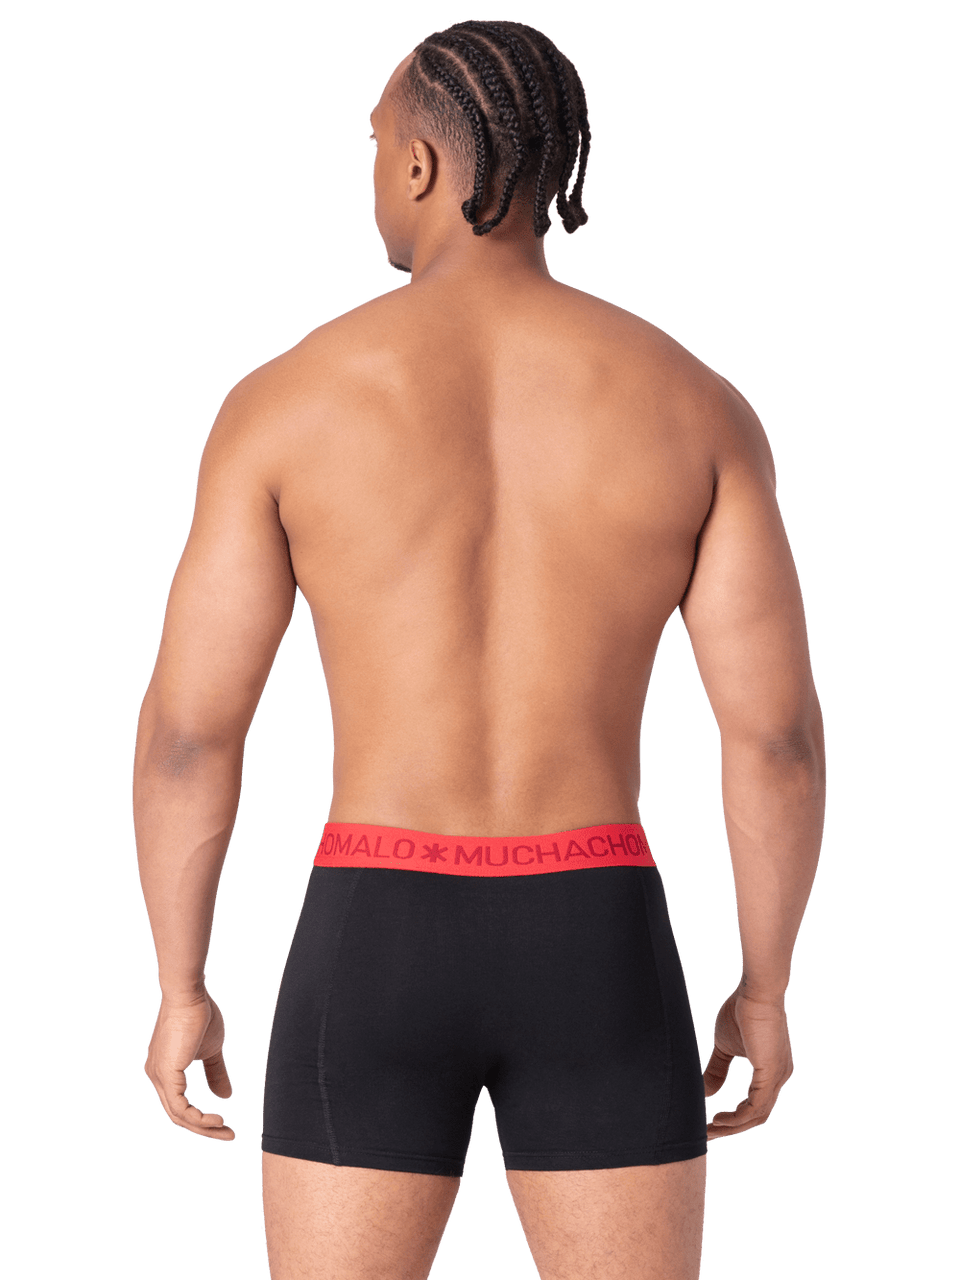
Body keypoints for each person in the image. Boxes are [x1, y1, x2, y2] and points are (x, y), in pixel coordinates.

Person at [133, 18, 826, 1280]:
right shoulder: (696, 405)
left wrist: (182, 983)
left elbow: (189, 733)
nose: (372, 171)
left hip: (373, 928)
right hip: (598, 932)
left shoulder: (284, 402)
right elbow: (776, 738)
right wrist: (765, 987)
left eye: (372, 145)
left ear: (418, 164)